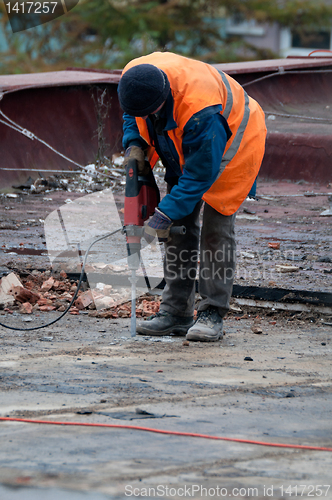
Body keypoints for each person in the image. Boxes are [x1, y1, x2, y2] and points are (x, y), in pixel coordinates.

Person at [118, 52, 266, 341]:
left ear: (164, 96)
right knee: (178, 228)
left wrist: (161, 215)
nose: (145, 116)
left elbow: (199, 175)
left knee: (216, 230)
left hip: (233, 142)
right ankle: (175, 313)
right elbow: (131, 117)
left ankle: (212, 312)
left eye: (151, 111)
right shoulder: (135, 78)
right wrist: (134, 146)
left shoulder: (201, 111)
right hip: (182, 137)